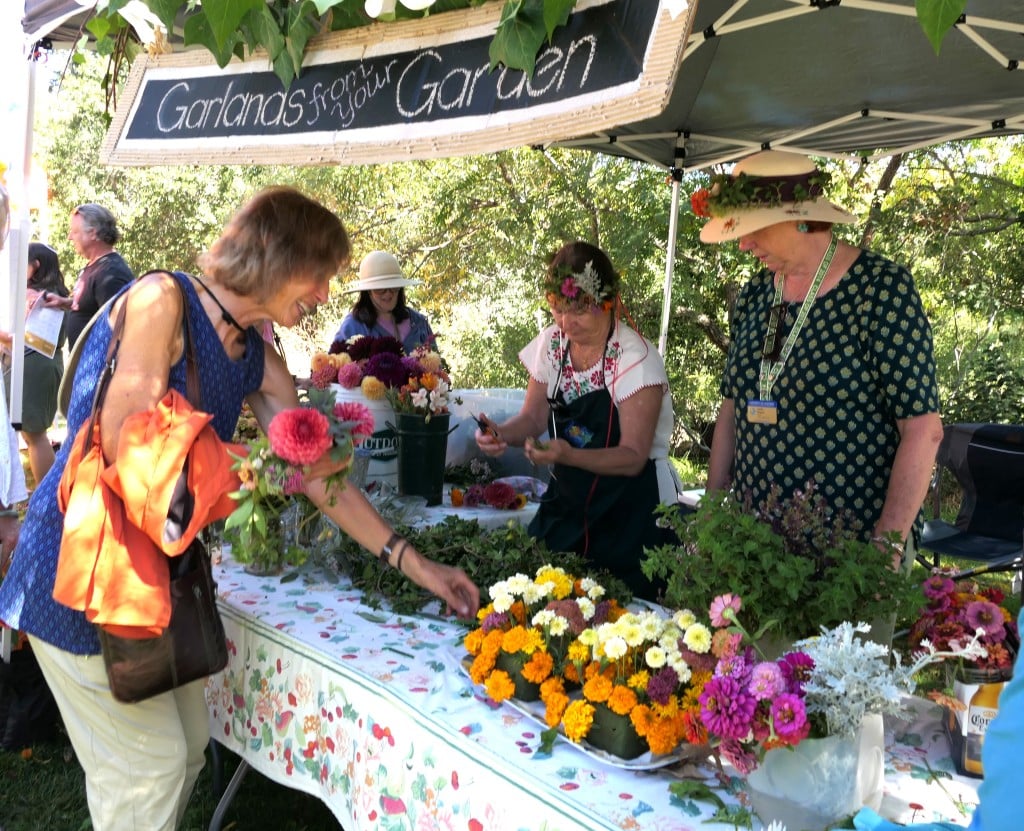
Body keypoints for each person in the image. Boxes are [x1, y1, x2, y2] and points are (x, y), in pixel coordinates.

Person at [0, 187, 479, 830]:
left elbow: (318, 474)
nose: (324, 295)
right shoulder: (160, 300)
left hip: (148, 580)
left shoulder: (256, 354)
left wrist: (416, 564)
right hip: (79, 571)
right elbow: (124, 439)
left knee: (188, 750)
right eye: (320, 274)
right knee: (148, 770)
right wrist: (256, 465)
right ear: (280, 257)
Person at [699, 151, 942, 571]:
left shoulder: (880, 291)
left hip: (851, 557)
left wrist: (883, 552)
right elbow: (732, 407)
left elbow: (923, 429)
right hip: (754, 547)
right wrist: (712, 515)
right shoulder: (757, 295)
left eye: (754, 229)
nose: (743, 244)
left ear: (801, 218)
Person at [474, 241, 675, 598]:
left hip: (632, 511)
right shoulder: (553, 345)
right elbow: (533, 417)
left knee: (623, 608)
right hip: (569, 505)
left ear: (607, 302)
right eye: (557, 310)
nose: (565, 323)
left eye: (578, 311)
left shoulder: (634, 358)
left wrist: (568, 454)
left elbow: (633, 457)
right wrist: (500, 433)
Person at [0, 243, 67, 484]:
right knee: (32, 435)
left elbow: (24, 337)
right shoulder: (55, 294)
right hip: (37, 365)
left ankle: (45, 496)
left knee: (35, 435)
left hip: (34, 366)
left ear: (35, 266)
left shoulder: (42, 297)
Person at [42, 203, 134, 347]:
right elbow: (92, 307)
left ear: (93, 233)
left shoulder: (111, 273)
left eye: (75, 232)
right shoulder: (95, 266)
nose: (69, 237)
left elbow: (119, 328)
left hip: (100, 361)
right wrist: (64, 302)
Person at [332, 250, 435, 353]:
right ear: (368, 292)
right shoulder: (353, 326)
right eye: (380, 289)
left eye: (394, 287)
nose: (388, 294)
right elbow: (335, 360)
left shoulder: (418, 322)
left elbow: (436, 360)